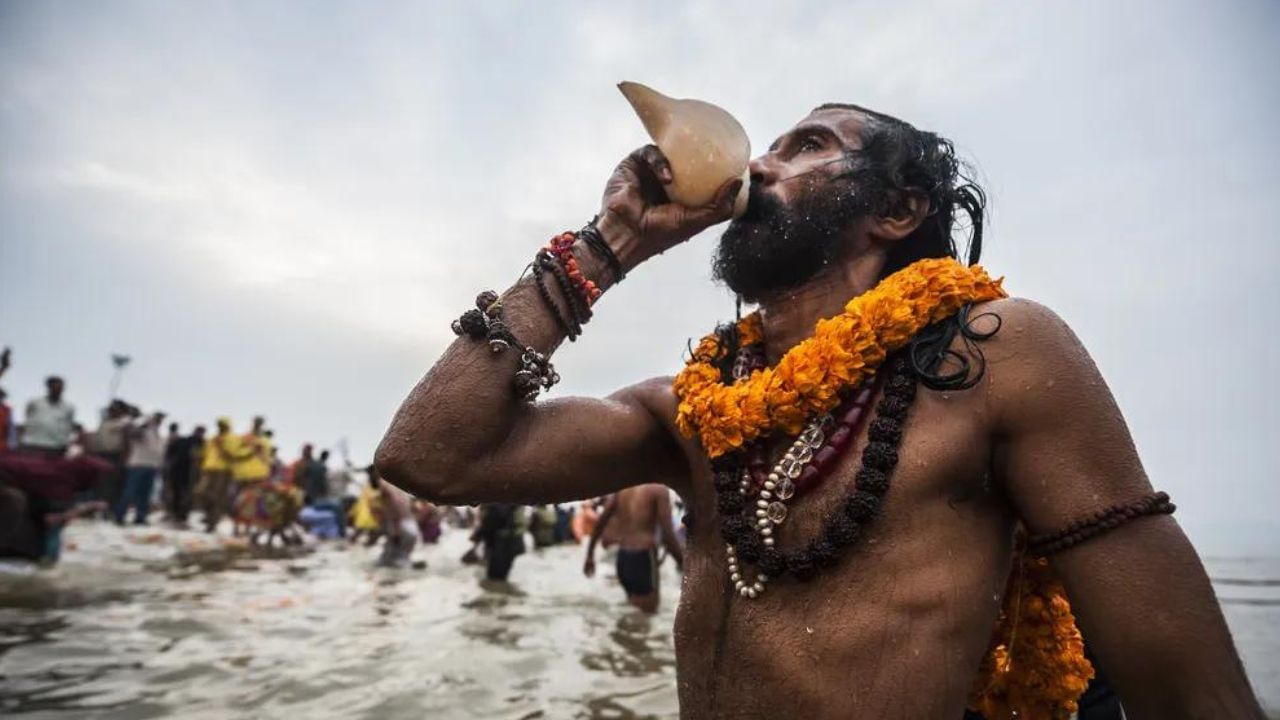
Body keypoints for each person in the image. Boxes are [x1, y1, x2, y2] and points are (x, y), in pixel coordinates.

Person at [376, 103, 1264, 719]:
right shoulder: (694, 409)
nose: (758, 165)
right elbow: (432, 459)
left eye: (807, 146)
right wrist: (609, 246)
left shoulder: (996, 355)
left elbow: (1188, 694)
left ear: (899, 209)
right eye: (767, 148)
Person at [584, 484, 685, 614]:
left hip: (623, 558)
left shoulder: (623, 489)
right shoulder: (658, 489)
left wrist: (590, 555)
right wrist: (683, 564)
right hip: (643, 556)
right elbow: (667, 535)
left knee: (634, 613)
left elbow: (601, 522)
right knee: (649, 615)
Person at [116, 411, 165, 524]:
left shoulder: (157, 435)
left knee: (145, 494)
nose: (159, 422)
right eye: (157, 419)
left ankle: (140, 517)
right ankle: (120, 515)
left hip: (152, 466)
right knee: (130, 492)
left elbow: (158, 452)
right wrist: (144, 424)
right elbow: (131, 432)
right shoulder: (141, 431)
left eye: (160, 420)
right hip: (138, 465)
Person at [196, 417, 238, 532]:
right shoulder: (212, 438)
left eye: (222, 425)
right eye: (219, 425)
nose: (220, 427)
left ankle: (212, 523)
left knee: (217, 497)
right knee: (201, 493)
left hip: (222, 471)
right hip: (208, 470)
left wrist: (221, 446)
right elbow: (205, 453)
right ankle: (209, 516)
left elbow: (233, 456)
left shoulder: (232, 439)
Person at [20, 375, 75, 458]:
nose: (58, 390)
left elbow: (69, 425)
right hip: (33, 445)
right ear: (48, 387)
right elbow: (27, 417)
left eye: (60, 387)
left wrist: (66, 443)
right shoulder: (34, 403)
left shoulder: (69, 407)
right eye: (55, 387)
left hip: (57, 447)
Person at [470, 503, 526, 582]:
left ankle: (495, 590)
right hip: (512, 544)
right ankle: (502, 590)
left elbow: (489, 524)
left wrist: (478, 536)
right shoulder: (515, 505)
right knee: (503, 574)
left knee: (494, 576)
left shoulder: (496, 505)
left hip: (500, 545)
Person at [164, 424, 203, 526]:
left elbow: (169, 452)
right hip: (184, 473)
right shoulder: (195, 442)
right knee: (183, 495)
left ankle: (178, 516)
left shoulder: (183, 440)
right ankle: (179, 516)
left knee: (179, 494)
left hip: (180, 472)